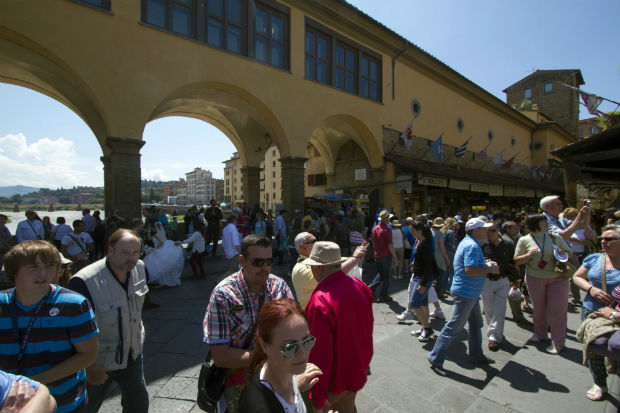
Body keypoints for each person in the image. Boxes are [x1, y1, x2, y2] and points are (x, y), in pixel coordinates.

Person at [0, 240, 99, 413]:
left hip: (65, 404)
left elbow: (87, 355)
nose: (43, 274)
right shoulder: (2, 303)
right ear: (13, 271)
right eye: (33, 267)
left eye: (50, 266)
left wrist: (34, 382)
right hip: (11, 406)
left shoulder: (73, 304)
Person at [202, 234, 294, 413]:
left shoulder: (279, 286)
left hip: (279, 379)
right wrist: (270, 358)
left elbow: (293, 330)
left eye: (269, 261)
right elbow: (220, 356)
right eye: (258, 262)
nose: (265, 268)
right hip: (240, 383)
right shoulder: (224, 295)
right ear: (242, 260)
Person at [67, 229, 150, 413]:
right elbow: (69, 331)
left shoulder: (140, 269)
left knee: (138, 405)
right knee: (86, 407)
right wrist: (86, 367)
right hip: (99, 361)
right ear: (110, 250)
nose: (131, 258)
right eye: (125, 253)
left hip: (133, 354)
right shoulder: (84, 282)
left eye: (136, 252)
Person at [302, 241, 373, 412]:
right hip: (358, 367)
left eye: (312, 266)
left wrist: (318, 396)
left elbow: (320, 354)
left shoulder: (320, 301)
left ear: (319, 268)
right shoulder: (359, 285)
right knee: (348, 407)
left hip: (336, 380)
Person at [428, 218, 500, 376]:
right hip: (466, 293)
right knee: (453, 327)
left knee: (475, 325)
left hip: (469, 293)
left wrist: (485, 264)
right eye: (484, 228)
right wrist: (489, 269)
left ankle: (476, 355)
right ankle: (435, 357)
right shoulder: (472, 246)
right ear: (476, 231)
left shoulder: (468, 242)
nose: (487, 231)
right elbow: (470, 270)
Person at [238, 299, 323, 413]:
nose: (303, 354)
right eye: (290, 348)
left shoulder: (289, 375)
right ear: (264, 345)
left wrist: (296, 386)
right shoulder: (259, 407)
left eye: (307, 341)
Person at [572, 224, 620, 401]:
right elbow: (577, 276)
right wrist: (591, 289)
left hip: (617, 315)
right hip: (593, 312)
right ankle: (600, 382)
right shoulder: (594, 258)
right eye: (602, 239)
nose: (604, 242)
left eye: (609, 239)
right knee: (594, 348)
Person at [514, 214, 572, 354]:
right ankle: (540, 334)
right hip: (535, 277)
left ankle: (558, 342)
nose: (546, 223)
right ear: (535, 223)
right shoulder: (524, 240)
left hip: (558, 277)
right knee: (539, 308)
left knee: (557, 310)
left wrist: (562, 254)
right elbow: (517, 260)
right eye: (543, 221)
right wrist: (528, 256)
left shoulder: (554, 237)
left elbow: (569, 253)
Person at [540, 196, 594, 304]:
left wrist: (586, 213)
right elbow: (562, 236)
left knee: (566, 281)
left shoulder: (559, 219)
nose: (562, 206)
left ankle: (561, 303)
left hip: (565, 256)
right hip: (550, 258)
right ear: (548, 207)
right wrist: (580, 214)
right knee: (552, 286)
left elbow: (582, 225)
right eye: (558, 204)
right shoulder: (543, 220)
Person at [481, 222, 520, 351]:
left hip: (503, 279)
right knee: (488, 308)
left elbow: (513, 262)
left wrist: (516, 278)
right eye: (486, 230)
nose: (489, 233)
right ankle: (495, 331)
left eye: (491, 230)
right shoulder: (483, 245)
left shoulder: (508, 244)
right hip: (487, 280)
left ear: (497, 230)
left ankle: (494, 337)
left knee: (500, 308)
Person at [407, 220, 436, 342]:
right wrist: (414, 265)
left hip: (424, 278)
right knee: (423, 303)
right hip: (418, 275)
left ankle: (427, 328)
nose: (411, 232)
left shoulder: (426, 244)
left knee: (414, 303)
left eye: (412, 230)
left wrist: (423, 283)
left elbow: (429, 265)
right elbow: (419, 259)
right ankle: (424, 327)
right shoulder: (418, 241)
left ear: (419, 231)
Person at [368, 210, 399, 302]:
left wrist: (374, 253)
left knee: (381, 273)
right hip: (385, 256)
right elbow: (390, 245)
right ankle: (383, 295)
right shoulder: (387, 230)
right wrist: (395, 257)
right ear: (387, 219)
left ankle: (372, 286)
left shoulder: (375, 228)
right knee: (386, 277)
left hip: (378, 254)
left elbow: (373, 243)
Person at [143, 222, 184, 286]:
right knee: (161, 265)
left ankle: (162, 281)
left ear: (154, 227)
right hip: (164, 246)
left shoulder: (155, 233)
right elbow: (150, 238)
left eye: (152, 227)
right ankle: (163, 281)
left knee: (158, 265)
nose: (151, 229)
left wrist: (156, 249)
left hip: (159, 247)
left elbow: (161, 242)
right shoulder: (157, 232)